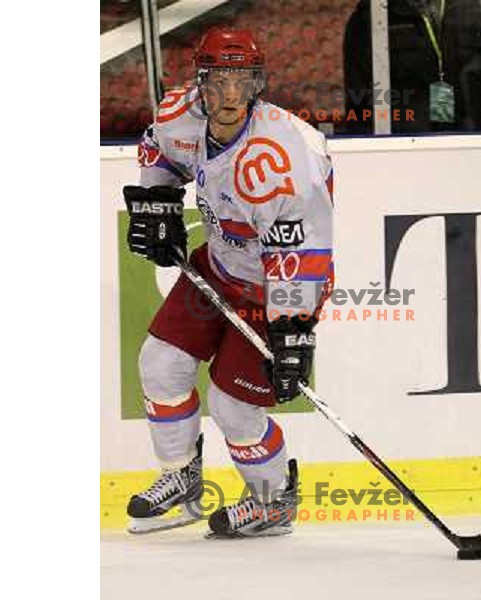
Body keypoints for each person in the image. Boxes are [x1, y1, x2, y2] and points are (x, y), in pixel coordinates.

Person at [123, 27, 334, 538]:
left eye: (243, 80)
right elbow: (157, 152)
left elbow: (303, 251)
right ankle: (181, 479)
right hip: (217, 265)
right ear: (200, 79)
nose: (230, 94)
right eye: (219, 79)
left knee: (234, 407)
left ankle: (272, 501)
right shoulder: (180, 115)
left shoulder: (285, 157)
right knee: (160, 364)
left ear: (258, 83)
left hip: (274, 286)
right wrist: (160, 205)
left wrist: (291, 331)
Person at [343, 0, 481, 134]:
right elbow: (359, 101)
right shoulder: (373, 15)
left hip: (469, 141)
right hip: (405, 145)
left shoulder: (465, 9)